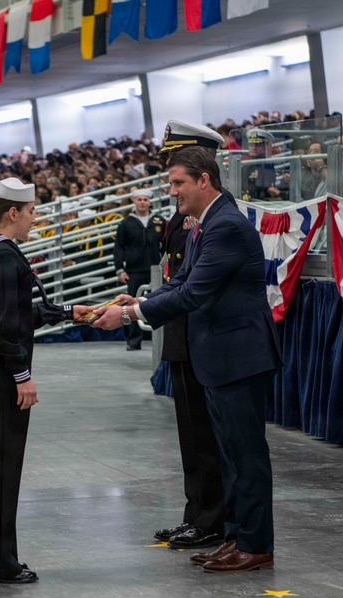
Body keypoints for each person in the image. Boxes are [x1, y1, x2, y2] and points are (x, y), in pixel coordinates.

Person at [92, 146, 282, 572]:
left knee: (246, 457)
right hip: (219, 357)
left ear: (204, 180)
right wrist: (141, 298)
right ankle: (236, 537)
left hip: (239, 358)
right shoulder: (207, 222)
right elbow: (182, 280)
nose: (172, 191)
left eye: (178, 183)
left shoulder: (225, 225)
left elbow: (195, 293)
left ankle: (256, 545)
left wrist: (127, 315)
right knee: (230, 457)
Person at [0, 177, 82, 584]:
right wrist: (22, 376)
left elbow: (13, 312)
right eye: (30, 212)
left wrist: (68, 312)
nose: (34, 220)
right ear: (12, 212)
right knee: (2, 467)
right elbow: (4, 328)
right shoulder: (7, 257)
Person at [144, 120, 230, 550]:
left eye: (178, 172)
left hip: (198, 333)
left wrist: (138, 311)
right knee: (189, 434)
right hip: (182, 332)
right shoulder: (188, 219)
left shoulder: (215, 220)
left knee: (204, 436)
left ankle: (211, 517)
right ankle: (196, 512)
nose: (171, 180)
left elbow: (192, 286)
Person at [113, 188, 164, 350]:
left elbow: (166, 246)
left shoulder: (159, 221)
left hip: (156, 270)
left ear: (150, 202)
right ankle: (133, 341)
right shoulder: (126, 223)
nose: (142, 202)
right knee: (131, 306)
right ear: (134, 201)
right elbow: (119, 248)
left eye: (145, 199)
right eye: (139, 199)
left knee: (160, 304)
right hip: (134, 271)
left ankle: (162, 340)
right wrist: (120, 269)